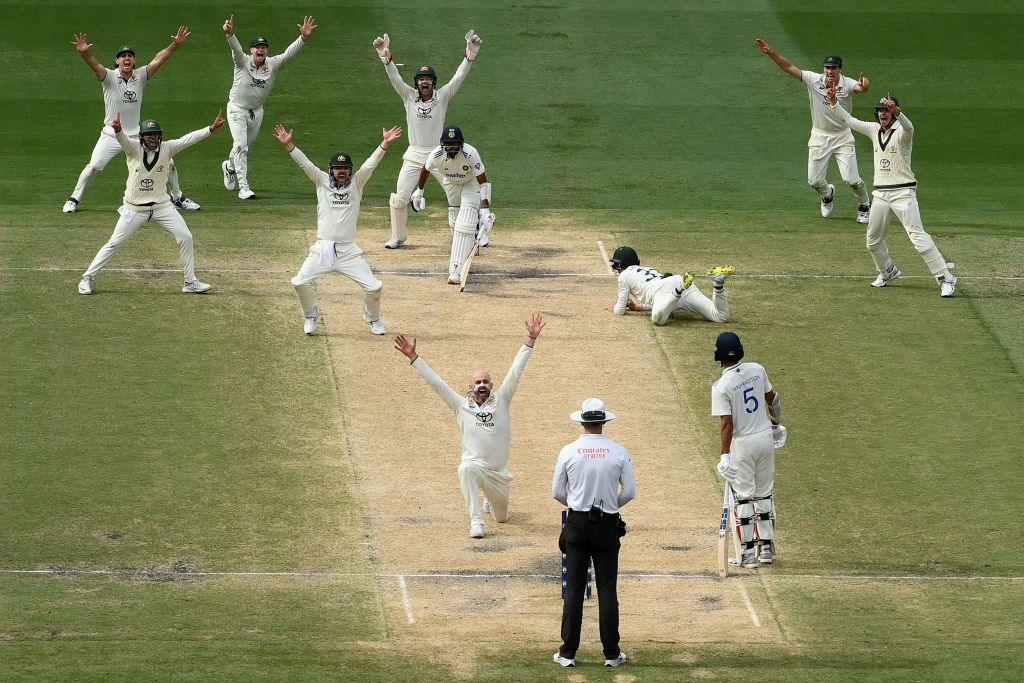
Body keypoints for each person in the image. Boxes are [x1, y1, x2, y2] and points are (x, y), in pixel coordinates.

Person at [394, 313, 545, 538]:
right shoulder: (460, 405)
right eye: (477, 382)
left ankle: (490, 500)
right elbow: (437, 383)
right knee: (465, 468)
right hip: (474, 466)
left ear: (492, 385)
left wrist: (530, 339)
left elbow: (516, 371)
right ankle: (476, 522)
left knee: (502, 518)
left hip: (498, 474)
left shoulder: (502, 399)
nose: (482, 385)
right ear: (470, 386)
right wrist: (415, 358)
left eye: (485, 382)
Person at [826, 88, 958, 297]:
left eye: (886, 111)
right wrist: (834, 103)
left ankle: (946, 278)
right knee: (873, 239)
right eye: (880, 111)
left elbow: (909, 126)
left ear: (894, 112)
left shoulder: (903, 134)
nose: (883, 114)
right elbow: (849, 120)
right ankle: (887, 271)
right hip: (881, 194)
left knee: (918, 237)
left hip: (903, 193)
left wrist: (898, 112)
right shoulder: (873, 130)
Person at [77, 111, 225, 295]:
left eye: (155, 136)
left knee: (186, 237)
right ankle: (87, 278)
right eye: (148, 136)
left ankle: (190, 282)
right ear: (141, 137)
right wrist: (118, 130)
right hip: (134, 209)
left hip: (162, 207)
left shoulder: (167, 149)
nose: (152, 139)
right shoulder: (133, 149)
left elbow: (187, 140)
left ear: (160, 136)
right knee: (114, 244)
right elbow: (123, 139)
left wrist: (210, 129)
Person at [274, 124, 402, 335]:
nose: (342, 172)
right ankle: (311, 315)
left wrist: (385, 144)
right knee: (299, 282)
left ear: (351, 171)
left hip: (348, 251)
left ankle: (373, 319)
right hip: (323, 249)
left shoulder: (357, 183)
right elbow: (305, 164)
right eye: (338, 169)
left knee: (374, 287)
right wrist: (289, 146)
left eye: (346, 169)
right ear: (331, 170)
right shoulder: (321, 181)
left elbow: (370, 165)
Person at [64, 30, 201, 214]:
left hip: (136, 135)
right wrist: (84, 52)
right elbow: (95, 65)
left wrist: (175, 45)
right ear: (117, 61)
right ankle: (73, 199)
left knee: (168, 162)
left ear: (134, 61)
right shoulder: (109, 77)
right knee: (94, 166)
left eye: (130, 56)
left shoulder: (140, 76)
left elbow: (158, 59)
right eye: (123, 56)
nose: (126, 59)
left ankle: (177, 197)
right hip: (111, 134)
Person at [371, 29, 482, 249]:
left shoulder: (443, 96)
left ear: (433, 82)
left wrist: (471, 54)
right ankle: (397, 236)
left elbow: (458, 77)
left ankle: (463, 236)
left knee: (456, 198)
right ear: (416, 82)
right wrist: (384, 55)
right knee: (399, 198)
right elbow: (394, 77)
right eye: (421, 79)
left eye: (428, 79)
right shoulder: (408, 96)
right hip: (414, 153)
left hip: (440, 154)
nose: (425, 82)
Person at [551, 398, 635, 669]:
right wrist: (608, 506)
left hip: (577, 523)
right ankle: (611, 653)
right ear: (603, 422)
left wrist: (578, 506)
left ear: (582, 421)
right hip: (607, 525)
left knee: (574, 588)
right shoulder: (618, 451)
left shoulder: (569, 451)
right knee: (607, 588)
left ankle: (568, 652)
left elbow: (557, 492)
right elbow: (630, 492)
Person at [754, 38, 872, 223]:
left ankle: (864, 205)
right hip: (820, 135)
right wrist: (771, 53)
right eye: (827, 67)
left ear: (840, 69)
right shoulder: (813, 80)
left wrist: (864, 87)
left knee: (852, 180)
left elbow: (859, 88)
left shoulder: (847, 84)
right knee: (814, 181)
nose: (830, 71)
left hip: (842, 136)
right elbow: (788, 67)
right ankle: (827, 193)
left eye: (833, 68)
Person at [221, 15, 317, 200]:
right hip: (237, 109)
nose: (261, 50)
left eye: (264, 47)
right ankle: (244, 188)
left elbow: (288, 54)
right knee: (241, 145)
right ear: (251, 50)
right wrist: (230, 34)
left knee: (245, 146)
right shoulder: (242, 61)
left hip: (256, 112)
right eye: (257, 47)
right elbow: (236, 49)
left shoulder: (272, 64)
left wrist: (303, 38)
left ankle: (230, 167)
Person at [711, 332, 784, 569]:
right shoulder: (757, 369)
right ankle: (766, 549)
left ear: (718, 356)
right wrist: (776, 424)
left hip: (742, 444)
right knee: (764, 493)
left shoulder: (721, 386)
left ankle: (748, 554)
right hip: (764, 438)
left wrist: (724, 455)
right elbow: (772, 399)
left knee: (743, 497)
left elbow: (726, 423)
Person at [411, 125, 495, 284]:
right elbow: (425, 169)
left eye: (455, 145)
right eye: (448, 145)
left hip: (470, 184)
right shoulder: (436, 155)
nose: (452, 148)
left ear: (461, 144)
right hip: (450, 184)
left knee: (464, 225)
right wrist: (419, 191)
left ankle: (455, 271)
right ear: (442, 144)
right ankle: (472, 244)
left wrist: (485, 209)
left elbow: (483, 182)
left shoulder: (470, 153)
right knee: (455, 221)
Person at [604, 246, 734, 325]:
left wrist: (615, 307)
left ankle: (679, 289)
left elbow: (619, 311)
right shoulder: (648, 269)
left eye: (616, 265)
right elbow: (659, 300)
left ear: (620, 265)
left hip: (670, 291)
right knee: (720, 317)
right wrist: (637, 308)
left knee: (658, 320)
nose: (615, 268)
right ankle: (718, 284)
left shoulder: (624, 276)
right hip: (676, 281)